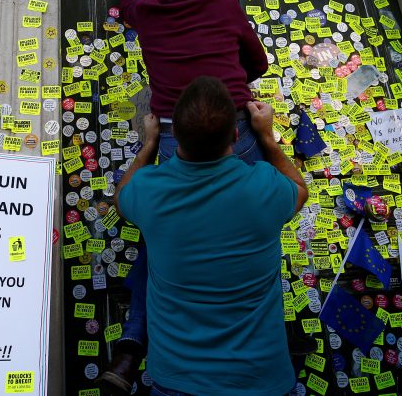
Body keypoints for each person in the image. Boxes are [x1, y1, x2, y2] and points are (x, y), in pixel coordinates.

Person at [113, 76, 308, 396]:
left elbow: (122, 199)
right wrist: (267, 136)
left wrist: (148, 145)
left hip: (177, 380)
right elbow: (300, 189)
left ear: (173, 133)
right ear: (234, 133)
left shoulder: (149, 190)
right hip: (262, 380)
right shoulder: (263, 187)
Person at [120, 0, 270, 163]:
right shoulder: (226, 4)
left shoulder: (146, 10)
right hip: (233, 124)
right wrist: (229, 80)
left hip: (174, 130)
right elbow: (259, 63)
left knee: (189, 198)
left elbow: (126, 4)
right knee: (248, 195)